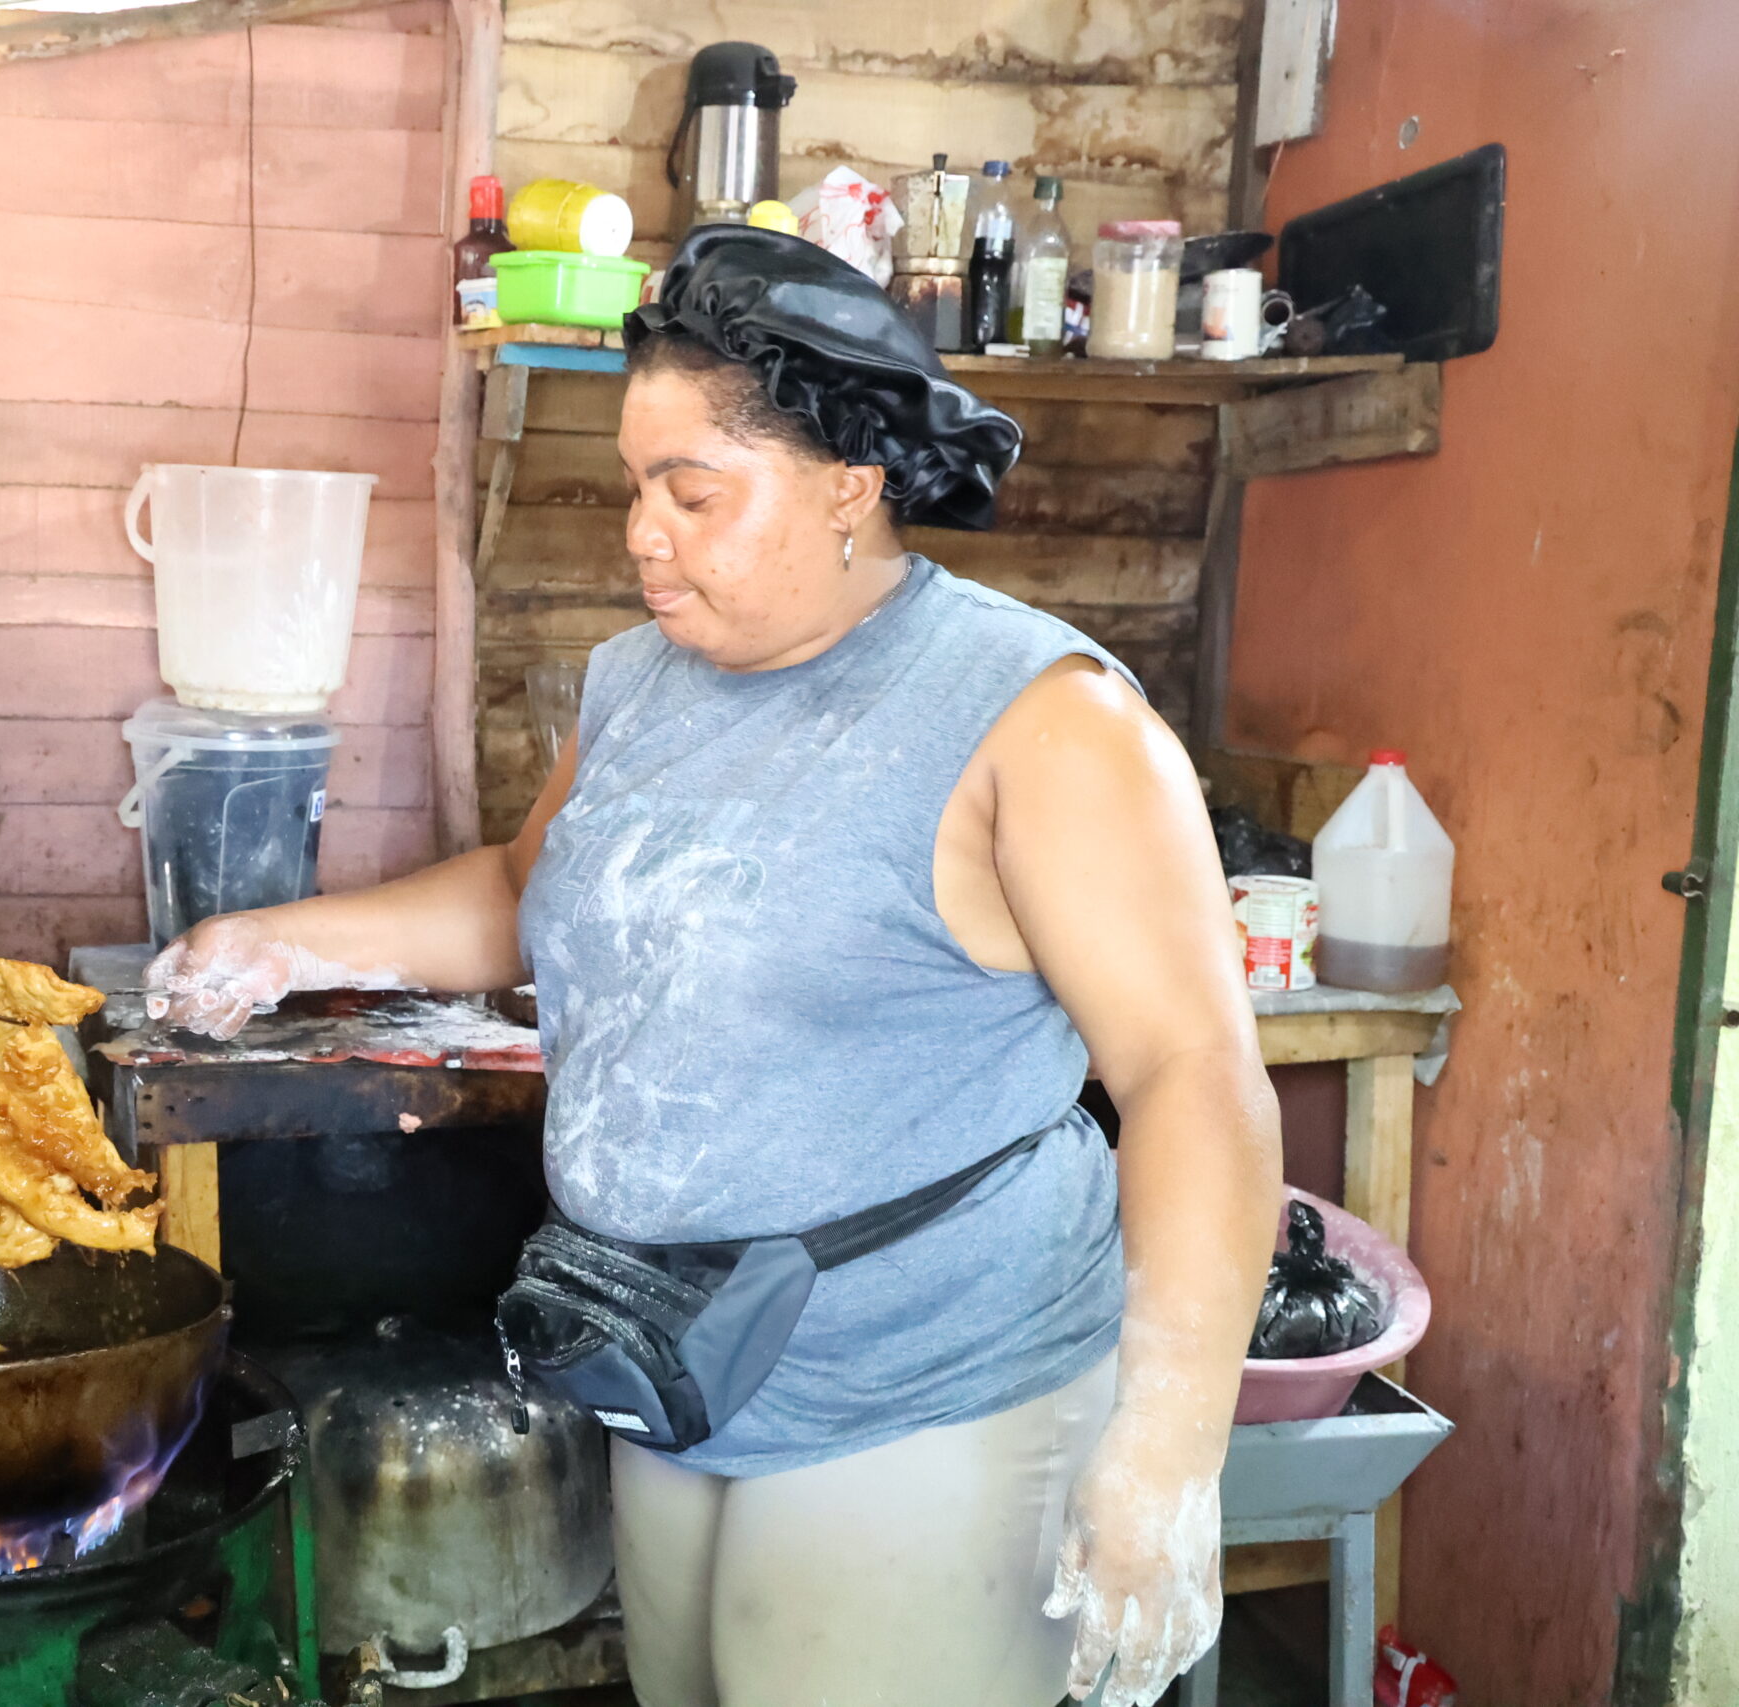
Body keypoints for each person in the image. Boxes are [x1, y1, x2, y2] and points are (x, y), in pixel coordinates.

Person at [146, 225, 1282, 1707]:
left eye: (695, 491)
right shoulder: (640, 683)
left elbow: (1192, 1070)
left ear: (848, 488)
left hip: (920, 1382)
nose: (644, 533)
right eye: (637, 486)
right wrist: (283, 940)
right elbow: (519, 894)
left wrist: (1170, 1447)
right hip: (674, 1360)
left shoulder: (1042, 719)